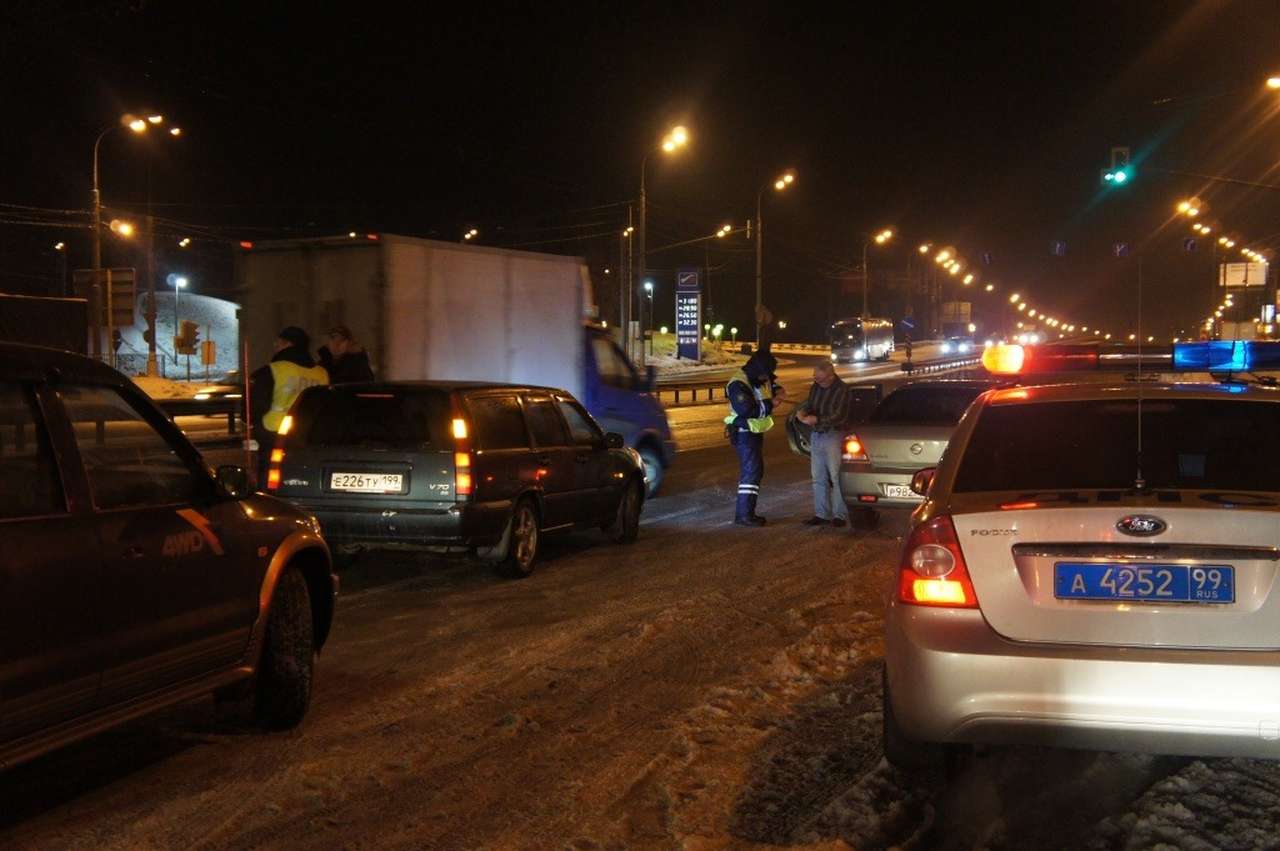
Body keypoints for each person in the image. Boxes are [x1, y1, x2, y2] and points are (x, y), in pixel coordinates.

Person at [250, 326, 329, 483]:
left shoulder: (272, 370)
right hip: (309, 435)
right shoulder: (322, 373)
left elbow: (255, 407)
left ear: (288, 344)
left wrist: (257, 429)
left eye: (279, 342)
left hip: (273, 435)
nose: (275, 346)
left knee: (270, 482)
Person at [724, 348, 786, 526]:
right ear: (756, 370)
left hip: (754, 433)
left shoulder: (757, 376)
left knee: (755, 471)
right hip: (744, 433)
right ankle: (744, 515)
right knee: (751, 472)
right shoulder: (738, 384)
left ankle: (746, 513)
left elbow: (769, 383)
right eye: (764, 374)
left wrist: (778, 389)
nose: (766, 378)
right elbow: (747, 410)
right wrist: (771, 404)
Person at [797, 361, 853, 527]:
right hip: (817, 434)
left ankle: (840, 515)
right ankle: (821, 514)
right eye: (815, 378)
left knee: (836, 476)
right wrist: (804, 411)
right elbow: (811, 403)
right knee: (818, 477)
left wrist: (817, 419)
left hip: (834, 434)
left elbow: (839, 415)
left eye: (820, 379)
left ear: (831, 376)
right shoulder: (816, 386)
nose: (817, 381)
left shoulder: (842, 390)